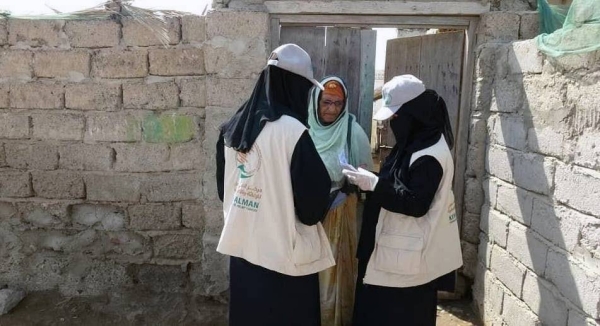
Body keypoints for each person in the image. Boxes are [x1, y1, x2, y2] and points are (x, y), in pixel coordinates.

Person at [215, 44, 335, 326]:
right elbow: (311, 207)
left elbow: (225, 191)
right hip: (284, 260)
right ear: (295, 87)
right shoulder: (292, 131)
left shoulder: (233, 128)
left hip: (244, 251)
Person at [343, 75, 463, 326]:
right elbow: (399, 184)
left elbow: (416, 203)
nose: (392, 125)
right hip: (393, 256)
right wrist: (371, 179)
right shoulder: (414, 143)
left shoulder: (430, 155)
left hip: (407, 264)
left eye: (396, 117)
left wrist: (375, 185)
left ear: (415, 113)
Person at [307, 77, 373, 326]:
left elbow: (366, 175)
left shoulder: (352, 132)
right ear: (316, 102)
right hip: (307, 215)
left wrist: (351, 183)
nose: (331, 109)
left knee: (333, 275)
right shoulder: (305, 130)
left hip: (338, 212)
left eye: (338, 103)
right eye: (326, 102)